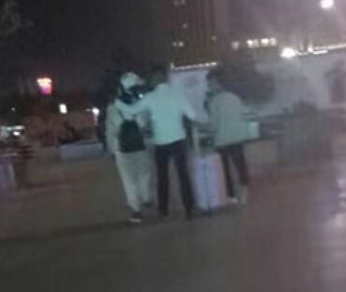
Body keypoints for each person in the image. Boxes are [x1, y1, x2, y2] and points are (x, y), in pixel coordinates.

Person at [137, 65, 198, 219]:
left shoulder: (149, 97)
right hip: (178, 139)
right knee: (183, 174)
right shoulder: (177, 94)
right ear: (166, 78)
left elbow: (140, 120)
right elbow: (192, 115)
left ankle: (163, 209)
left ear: (154, 79)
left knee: (162, 176)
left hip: (160, 141)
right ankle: (189, 207)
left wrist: (147, 124)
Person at [105, 72, 152, 224]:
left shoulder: (113, 107)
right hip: (139, 145)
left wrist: (111, 150)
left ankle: (136, 210)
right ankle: (146, 197)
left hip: (122, 148)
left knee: (129, 180)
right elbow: (144, 125)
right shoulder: (140, 104)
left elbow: (110, 132)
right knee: (143, 174)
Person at [206, 70, 252, 204]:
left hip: (222, 139)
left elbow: (214, 125)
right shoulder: (235, 98)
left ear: (217, 82)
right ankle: (244, 190)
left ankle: (231, 196)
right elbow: (243, 116)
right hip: (237, 137)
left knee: (225, 170)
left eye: (210, 83)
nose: (209, 86)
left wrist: (209, 132)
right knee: (241, 166)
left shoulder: (214, 101)